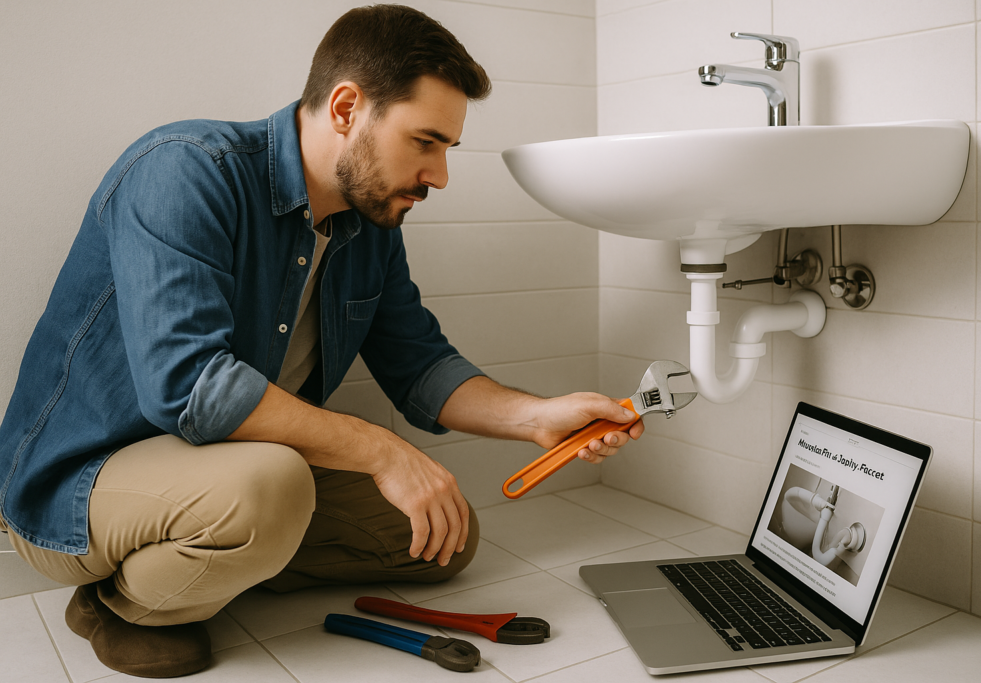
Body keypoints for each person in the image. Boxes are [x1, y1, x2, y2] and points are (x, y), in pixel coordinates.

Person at [0, 4, 643, 678]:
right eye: (425, 141)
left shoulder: (371, 230)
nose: (440, 175)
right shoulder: (185, 171)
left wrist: (538, 417)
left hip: (227, 469)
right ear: (345, 108)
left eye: (447, 149)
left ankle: (237, 552)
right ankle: (122, 602)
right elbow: (188, 385)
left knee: (442, 538)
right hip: (80, 485)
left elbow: (419, 363)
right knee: (272, 484)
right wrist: (378, 449)